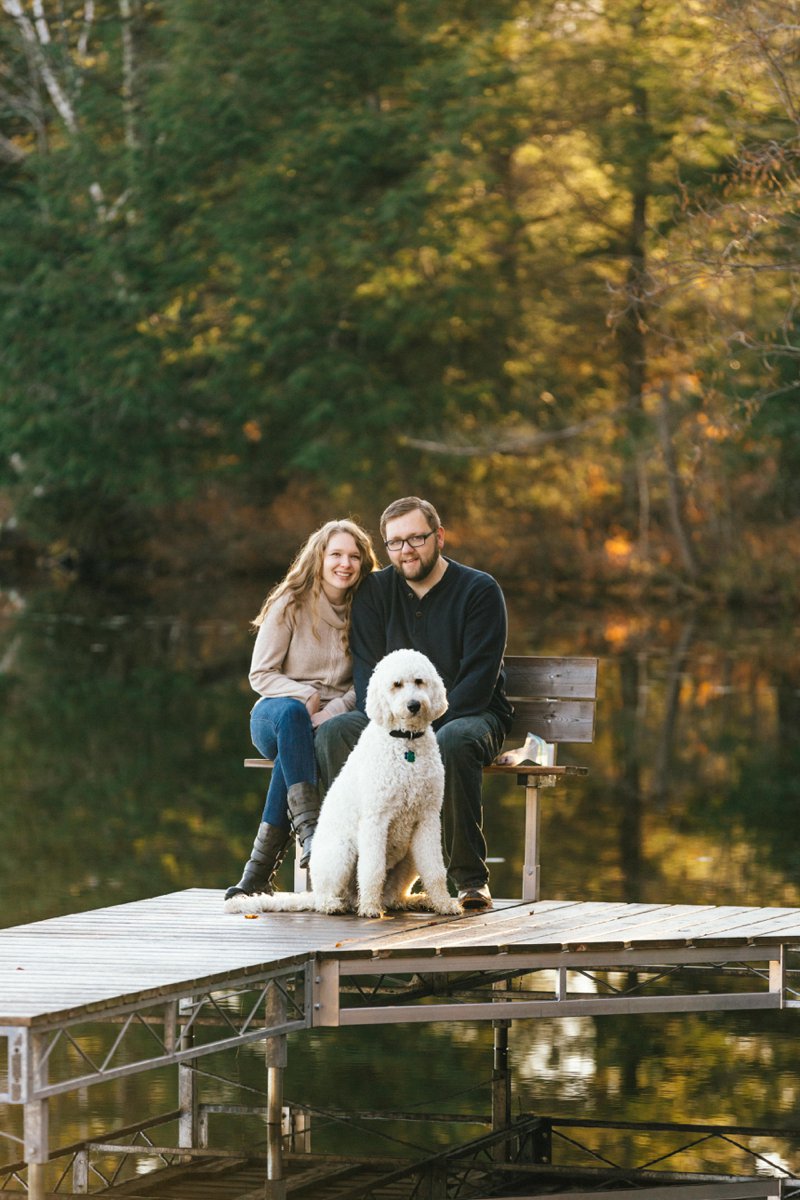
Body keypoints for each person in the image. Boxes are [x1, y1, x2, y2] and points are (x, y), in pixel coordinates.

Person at [315, 497, 513, 911]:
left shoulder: (479, 591)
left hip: (473, 714)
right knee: (337, 731)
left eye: (417, 539)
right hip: (391, 723)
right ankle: (351, 871)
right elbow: (370, 676)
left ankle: (469, 881)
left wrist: (421, 732)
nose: (406, 550)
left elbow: (478, 683)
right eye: (395, 543)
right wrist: (399, 731)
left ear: (438, 537)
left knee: (454, 740)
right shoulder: (374, 590)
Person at [225, 519, 379, 901]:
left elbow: (363, 683)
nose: (345, 563)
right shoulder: (290, 602)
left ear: (363, 563)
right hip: (275, 715)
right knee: (294, 721)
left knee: (299, 748)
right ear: (320, 558)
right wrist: (302, 695)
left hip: (324, 722)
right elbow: (260, 674)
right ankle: (311, 835)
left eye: (354, 556)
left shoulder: (365, 611)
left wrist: (333, 711)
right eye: (337, 554)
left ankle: (257, 874)